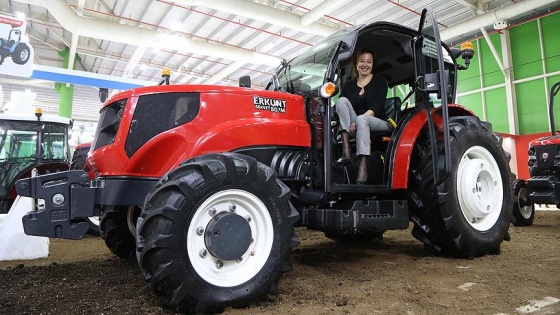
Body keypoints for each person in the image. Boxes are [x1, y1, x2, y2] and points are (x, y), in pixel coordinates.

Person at [335, 48, 390, 184]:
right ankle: (346, 148)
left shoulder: (380, 81)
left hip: (378, 121)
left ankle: (363, 166)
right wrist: (352, 124)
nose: (365, 65)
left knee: (361, 118)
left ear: (372, 64)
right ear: (356, 64)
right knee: (341, 101)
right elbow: (341, 108)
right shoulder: (349, 86)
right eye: (361, 61)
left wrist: (358, 121)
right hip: (356, 123)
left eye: (369, 62)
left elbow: (378, 105)